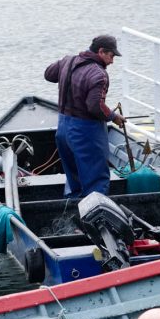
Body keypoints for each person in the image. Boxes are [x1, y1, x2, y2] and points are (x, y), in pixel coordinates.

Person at [44, 34, 125, 200]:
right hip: (86, 132)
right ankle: (95, 219)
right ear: (101, 52)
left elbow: (48, 74)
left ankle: (73, 215)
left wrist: (65, 66)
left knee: (74, 180)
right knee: (95, 181)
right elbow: (94, 106)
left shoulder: (68, 61)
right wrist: (113, 116)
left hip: (63, 130)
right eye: (111, 56)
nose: (112, 61)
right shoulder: (99, 74)